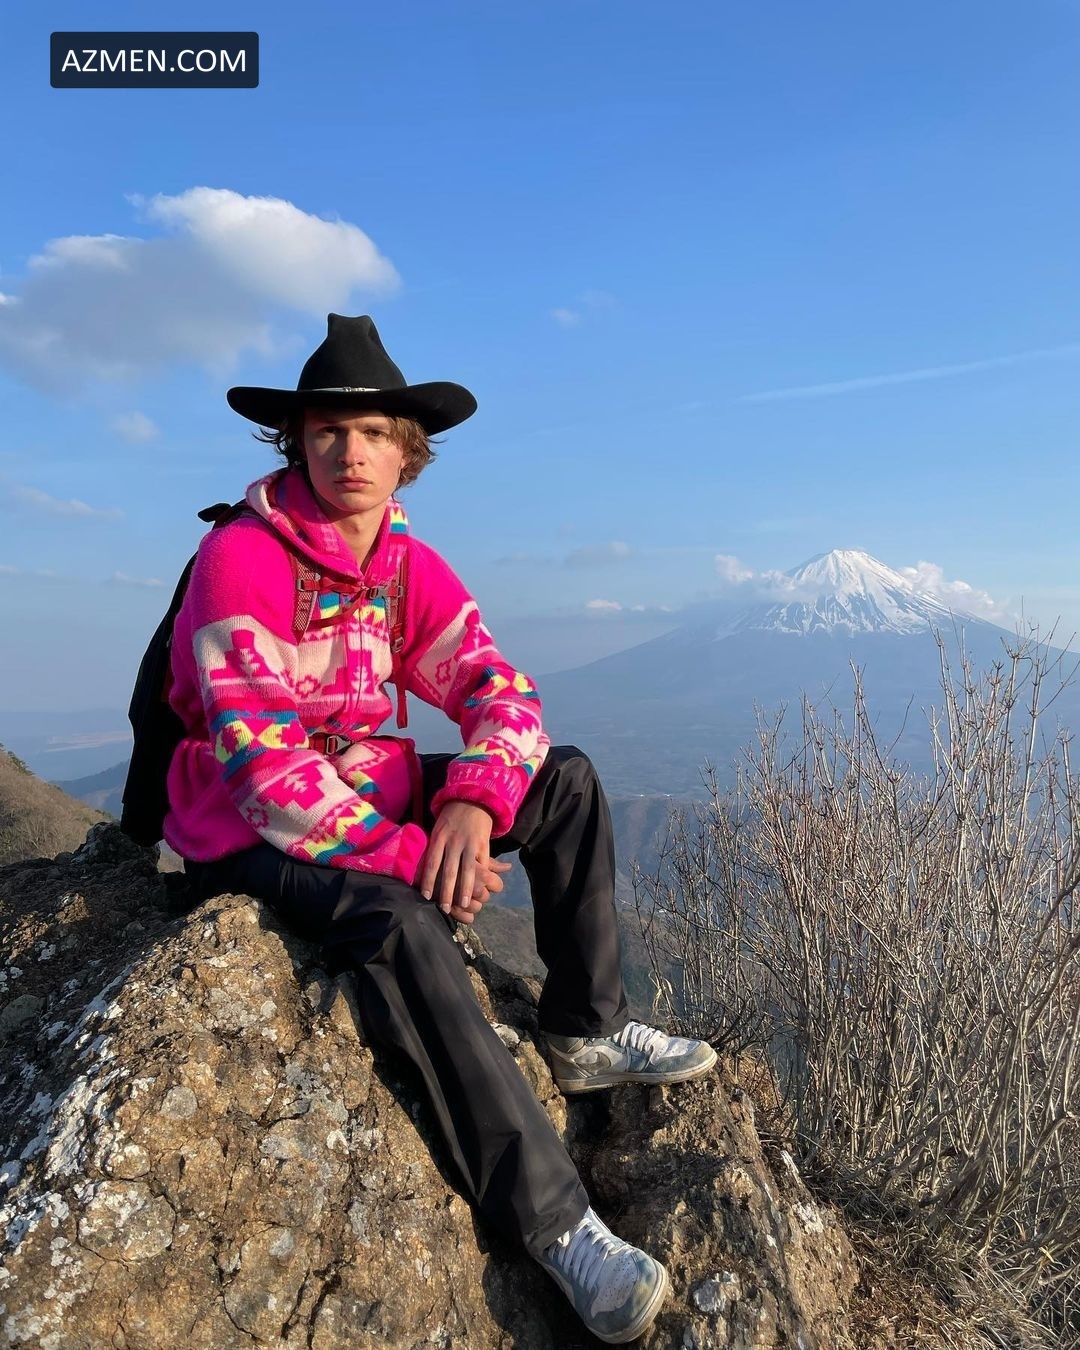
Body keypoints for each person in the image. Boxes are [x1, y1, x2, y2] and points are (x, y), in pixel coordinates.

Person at [168, 314, 717, 1344]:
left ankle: (585, 1028)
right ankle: (556, 1226)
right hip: (243, 829)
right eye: (328, 432)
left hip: (365, 792)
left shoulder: (401, 563)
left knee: (564, 779)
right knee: (399, 919)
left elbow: (498, 687)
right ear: (296, 443)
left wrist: (472, 799)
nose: (351, 451)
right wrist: (417, 855)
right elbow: (264, 768)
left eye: (375, 432)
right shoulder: (240, 558)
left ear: (406, 451)